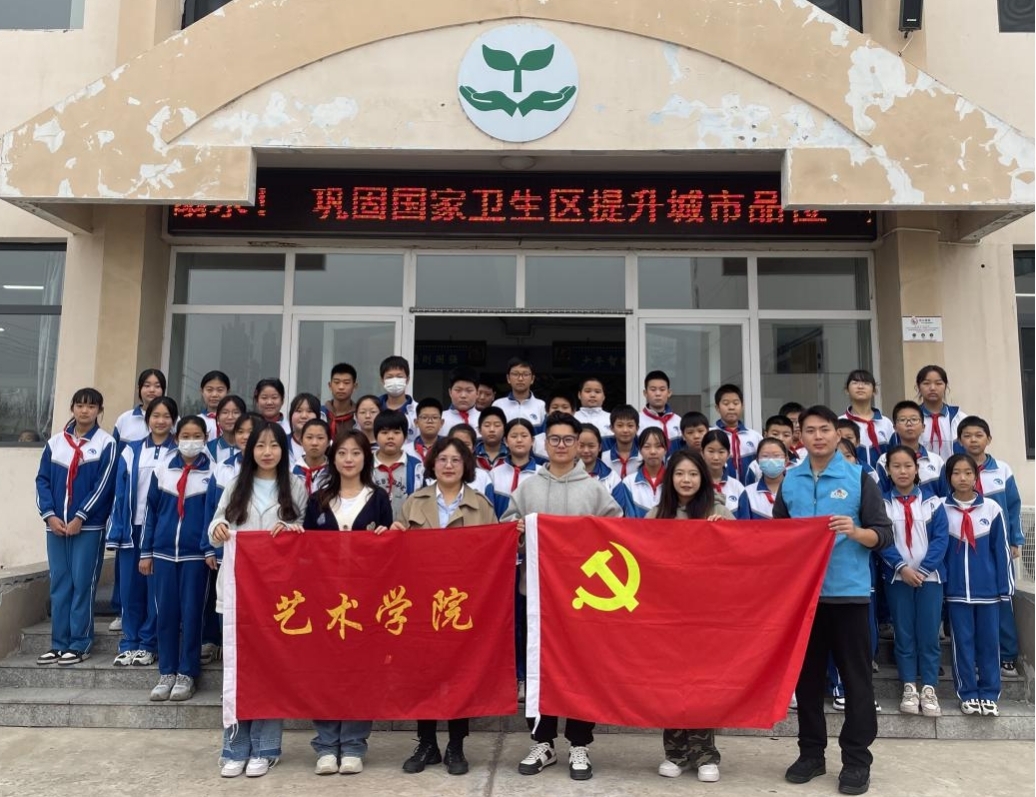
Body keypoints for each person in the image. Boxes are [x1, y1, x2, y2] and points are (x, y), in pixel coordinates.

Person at [774, 405, 893, 797]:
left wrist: (856, 532)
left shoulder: (859, 478)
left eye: (824, 429)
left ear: (838, 434)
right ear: (800, 437)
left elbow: (884, 535)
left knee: (856, 682)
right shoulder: (790, 481)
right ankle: (811, 754)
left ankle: (856, 760)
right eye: (810, 430)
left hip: (848, 596)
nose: (818, 436)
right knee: (807, 681)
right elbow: (775, 538)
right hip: (804, 599)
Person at [504, 413, 622, 781]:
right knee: (538, 668)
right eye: (554, 439)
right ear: (544, 443)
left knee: (583, 669)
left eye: (568, 439)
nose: (560, 445)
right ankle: (542, 741)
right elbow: (506, 531)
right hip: (537, 597)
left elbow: (616, 532)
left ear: (578, 445)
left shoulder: (595, 490)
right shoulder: (527, 488)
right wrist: (517, 532)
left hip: (583, 598)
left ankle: (579, 743)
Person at [390, 437, 497, 776]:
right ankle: (426, 743)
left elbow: (496, 552)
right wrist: (392, 534)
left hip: (463, 604)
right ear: (432, 464)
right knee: (423, 672)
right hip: (421, 603)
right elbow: (396, 552)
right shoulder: (414, 502)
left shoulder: (481, 506)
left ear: (466, 466)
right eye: (442, 459)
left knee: (459, 672)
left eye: (456, 460)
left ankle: (456, 744)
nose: (448, 465)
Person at [209, 420, 309, 778]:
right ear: (250, 450)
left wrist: (294, 529)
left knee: (271, 671)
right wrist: (219, 529)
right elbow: (215, 527)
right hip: (238, 591)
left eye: (274, 445)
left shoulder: (295, 486)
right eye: (260, 445)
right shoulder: (237, 483)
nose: (267, 452)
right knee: (238, 670)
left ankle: (266, 749)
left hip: (278, 596)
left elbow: (304, 533)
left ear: (284, 451)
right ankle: (235, 748)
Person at [302, 429, 392, 776]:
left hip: (364, 599)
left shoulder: (378, 498)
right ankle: (326, 745)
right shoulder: (318, 499)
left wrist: (385, 536)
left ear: (365, 458)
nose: (349, 459)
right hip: (324, 598)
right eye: (342, 453)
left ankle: (354, 744)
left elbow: (391, 550)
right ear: (333, 458)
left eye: (356, 453)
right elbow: (305, 549)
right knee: (323, 671)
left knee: (359, 671)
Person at [645, 449, 730, 783]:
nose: (686, 480)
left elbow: (740, 558)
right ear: (670, 478)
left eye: (693, 474)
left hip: (707, 614)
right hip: (665, 614)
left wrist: (725, 532)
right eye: (680, 473)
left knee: (702, 682)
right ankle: (675, 753)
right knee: (670, 682)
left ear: (703, 479)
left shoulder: (718, 511)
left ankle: (706, 754)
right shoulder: (656, 515)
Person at [34, 387, 117, 666]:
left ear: (99, 411)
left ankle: (80, 643)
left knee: (83, 583)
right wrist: (49, 515)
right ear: (72, 408)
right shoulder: (55, 443)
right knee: (60, 584)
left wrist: (81, 516)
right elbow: (42, 481)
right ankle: (59, 644)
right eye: (80, 405)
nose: (85, 410)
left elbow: (104, 486)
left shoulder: (106, 444)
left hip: (88, 527)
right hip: (56, 526)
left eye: (91, 406)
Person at [139, 415, 214, 702]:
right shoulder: (163, 470)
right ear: (176, 438)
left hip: (196, 556)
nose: (190, 441)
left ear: (205, 439)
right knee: (166, 614)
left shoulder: (213, 473)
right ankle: (167, 671)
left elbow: (213, 516)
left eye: (197, 436)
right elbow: (151, 512)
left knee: (193, 613)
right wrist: (146, 551)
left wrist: (209, 549)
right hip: (163, 553)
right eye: (185, 436)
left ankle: (187, 673)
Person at [105, 396, 178, 667]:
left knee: (154, 591)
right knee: (130, 589)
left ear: (173, 421)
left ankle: (149, 643)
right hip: (131, 529)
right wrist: (117, 528)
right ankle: (130, 642)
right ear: (148, 420)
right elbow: (119, 492)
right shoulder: (131, 450)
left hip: (160, 530)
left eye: (166, 416)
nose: (161, 421)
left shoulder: (178, 452)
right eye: (156, 416)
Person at [879, 445, 949, 718]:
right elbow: (883, 540)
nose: (902, 471)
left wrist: (923, 569)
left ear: (916, 469)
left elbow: (940, 539)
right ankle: (909, 686)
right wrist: (902, 568)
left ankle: (929, 687)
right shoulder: (883, 504)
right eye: (896, 466)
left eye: (907, 466)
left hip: (930, 579)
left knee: (929, 634)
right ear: (888, 471)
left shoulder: (933, 503)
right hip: (898, 579)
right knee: (904, 633)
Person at [942, 453, 1014, 717]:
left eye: (968, 472)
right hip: (956, 592)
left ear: (976, 476)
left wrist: (1005, 588)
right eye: (956, 473)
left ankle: (990, 693)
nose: (962, 478)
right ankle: (967, 693)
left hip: (988, 592)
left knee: (989, 644)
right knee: (962, 643)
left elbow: (1002, 550)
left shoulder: (992, 509)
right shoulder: (941, 509)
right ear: (948, 477)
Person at [954, 415, 1024, 677]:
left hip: (998, 545)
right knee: (968, 602)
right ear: (959, 441)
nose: (973, 440)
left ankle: (1007, 654)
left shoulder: (1002, 470)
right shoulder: (956, 470)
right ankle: (972, 657)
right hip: (965, 545)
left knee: (1002, 598)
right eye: (967, 435)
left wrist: (1015, 540)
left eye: (979, 435)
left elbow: (1014, 505)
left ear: (989, 439)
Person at [200, 413, 259, 666]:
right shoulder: (224, 469)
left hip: (264, 562)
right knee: (227, 606)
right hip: (230, 553)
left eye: (251, 431)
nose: (245, 436)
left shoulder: (283, 475)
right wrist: (209, 545)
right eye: (240, 431)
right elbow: (213, 512)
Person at [876, 401, 944, 497]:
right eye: (903, 420)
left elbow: (943, 497)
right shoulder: (884, 460)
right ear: (895, 428)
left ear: (923, 427)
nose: (909, 424)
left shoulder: (936, 461)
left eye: (914, 419)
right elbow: (881, 497)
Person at [371, 410, 423, 517]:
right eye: (384, 432)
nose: (390, 437)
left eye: (396, 432)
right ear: (375, 436)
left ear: (405, 436)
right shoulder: (364, 465)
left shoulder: (417, 467)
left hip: (406, 525)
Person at [839, 369, 894, 469]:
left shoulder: (885, 423)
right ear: (847, 390)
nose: (860, 386)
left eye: (866, 383)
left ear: (874, 391)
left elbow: (894, 453)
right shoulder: (840, 423)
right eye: (855, 382)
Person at [490, 418, 540, 519]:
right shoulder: (494, 473)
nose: (519, 440)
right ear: (506, 441)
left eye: (524, 436)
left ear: (532, 441)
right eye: (514, 436)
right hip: (500, 527)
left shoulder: (541, 474)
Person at [614, 427, 668, 517]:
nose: (653, 451)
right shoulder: (629, 482)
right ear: (640, 450)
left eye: (658, 446)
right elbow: (629, 517)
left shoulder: (673, 480)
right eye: (647, 447)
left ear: (666, 449)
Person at [916, 365, 967, 461]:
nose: (932, 388)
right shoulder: (911, 418)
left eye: (938, 383)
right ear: (918, 386)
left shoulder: (960, 418)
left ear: (945, 386)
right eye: (926, 383)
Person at [713, 383, 762, 482]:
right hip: (721, 488)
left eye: (736, 403)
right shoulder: (710, 435)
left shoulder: (755, 437)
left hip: (750, 488)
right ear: (717, 408)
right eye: (726, 403)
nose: (731, 407)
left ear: (742, 406)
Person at [700, 429, 748, 518]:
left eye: (721, 452)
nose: (716, 457)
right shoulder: (696, 485)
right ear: (702, 453)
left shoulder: (737, 487)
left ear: (728, 454)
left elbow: (745, 522)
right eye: (711, 451)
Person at [112, 368, 166, 446]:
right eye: (147, 386)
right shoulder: (125, 419)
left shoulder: (172, 420)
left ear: (163, 390)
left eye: (157, 386)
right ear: (139, 389)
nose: (152, 390)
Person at [493, 357, 546, 432]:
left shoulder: (542, 406)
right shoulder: (498, 405)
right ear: (508, 378)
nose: (520, 379)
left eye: (525, 374)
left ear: (532, 379)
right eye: (515, 374)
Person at [445, 424, 495, 500]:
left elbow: (489, 506)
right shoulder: (438, 474)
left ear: (473, 448)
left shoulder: (483, 477)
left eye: (466, 444)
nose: (461, 448)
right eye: (456, 443)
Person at [744, 437, 790, 519]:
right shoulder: (747, 493)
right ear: (757, 461)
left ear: (786, 460)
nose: (771, 460)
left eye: (776, 456)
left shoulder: (796, 489)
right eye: (765, 456)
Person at [744, 415, 798, 484]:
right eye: (775, 434)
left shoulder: (799, 465)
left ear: (792, 438)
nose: (780, 439)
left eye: (786, 435)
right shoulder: (755, 466)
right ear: (766, 435)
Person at [378, 356, 418, 439]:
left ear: (407, 379)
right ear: (382, 380)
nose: (395, 381)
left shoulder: (418, 411)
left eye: (399, 376)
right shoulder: (374, 408)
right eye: (389, 377)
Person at [576, 423, 621, 493]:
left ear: (599, 447)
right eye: (581, 446)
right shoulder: (563, 474)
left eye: (591, 446)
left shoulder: (612, 478)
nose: (586, 450)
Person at [291, 418, 331, 495]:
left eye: (320, 438)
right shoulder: (291, 472)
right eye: (309, 437)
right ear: (301, 441)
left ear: (328, 442)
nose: (314, 443)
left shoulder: (334, 473)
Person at [601, 404, 642, 479]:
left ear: (637, 428)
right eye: (620, 425)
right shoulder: (603, 458)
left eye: (630, 425)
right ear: (612, 428)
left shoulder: (643, 457)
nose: (625, 430)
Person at [639, 370, 680, 444]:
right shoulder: (637, 421)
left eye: (662, 389)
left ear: (669, 393)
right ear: (645, 393)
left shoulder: (678, 421)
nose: (658, 394)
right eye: (653, 390)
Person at [532, 391, 576, 459]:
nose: (559, 411)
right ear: (547, 411)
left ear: (573, 411)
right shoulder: (536, 442)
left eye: (565, 407)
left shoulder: (580, 439)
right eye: (555, 407)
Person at [207, 395, 246, 464]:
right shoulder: (208, 448)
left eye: (236, 412)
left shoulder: (252, 447)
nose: (230, 417)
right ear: (218, 418)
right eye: (225, 412)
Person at [323, 362, 358, 439]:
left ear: (355, 386)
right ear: (330, 385)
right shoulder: (321, 413)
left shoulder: (359, 416)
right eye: (336, 382)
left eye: (346, 383)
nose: (341, 387)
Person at [442, 367, 481, 433]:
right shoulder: (440, 419)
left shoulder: (485, 421)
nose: (463, 395)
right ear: (450, 392)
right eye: (458, 390)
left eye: (469, 390)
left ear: (477, 393)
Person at [405, 397, 444, 462]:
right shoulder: (405, 450)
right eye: (424, 417)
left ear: (441, 423)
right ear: (416, 422)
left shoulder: (449, 448)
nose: (430, 421)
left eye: (434, 417)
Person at [287, 392, 321, 464]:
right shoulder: (281, 442)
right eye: (299, 411)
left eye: (309, 411)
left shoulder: (327, 445)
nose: (304, 416)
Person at [199, 370, 232, 442]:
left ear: (228, 392)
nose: (214, 395)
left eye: (220, 390)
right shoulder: (196, 421)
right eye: (209, 390)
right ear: (201, 391)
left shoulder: (235, 420)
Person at [475, 406, 508, 470]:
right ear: (479, 430)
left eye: (497, 425)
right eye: (487, 425)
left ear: (504, 429)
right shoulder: (471, 454)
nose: (492, 429)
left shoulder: (512, 454)